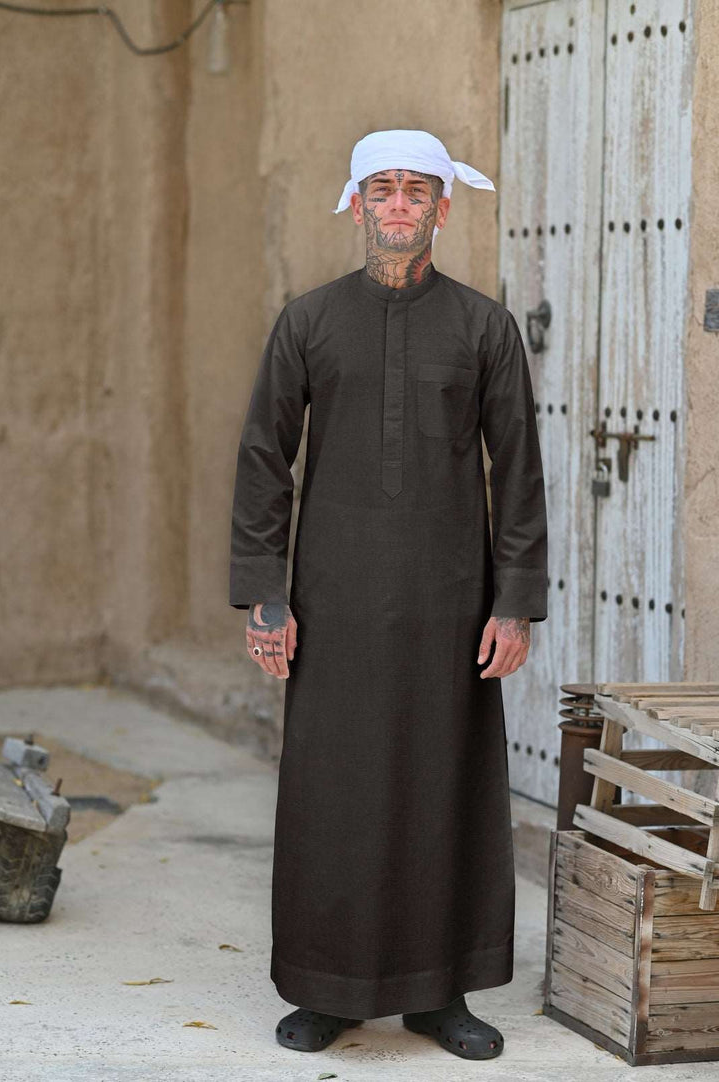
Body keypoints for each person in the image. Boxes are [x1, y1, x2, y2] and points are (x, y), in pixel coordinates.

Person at [228, 129, 548, 1060]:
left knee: (444, 790)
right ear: (357, 204)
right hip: (333, 604)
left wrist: (514, 602)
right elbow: (264, 460)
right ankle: (325, 989)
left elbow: (518, 472)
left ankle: (438, 994)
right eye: (383, 190)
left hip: (452, 606)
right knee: (333, 792)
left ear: (442, 208)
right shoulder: (309, 321)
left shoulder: (485, 328)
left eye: (416, 190)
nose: (399, 205)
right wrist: (267, 595)